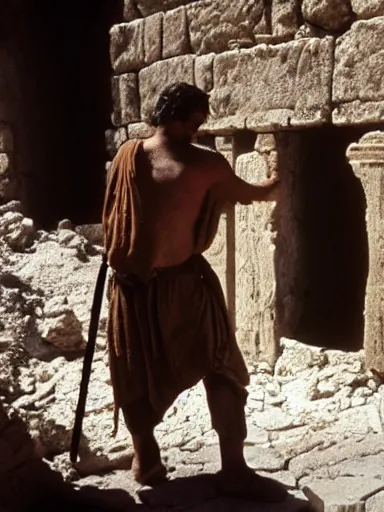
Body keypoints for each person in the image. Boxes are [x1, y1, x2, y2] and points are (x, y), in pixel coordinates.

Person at [102, 82, 286, 502]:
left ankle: (209, 465)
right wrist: (275, 185)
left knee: (204, 367)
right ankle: (155, 458)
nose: (198, 132)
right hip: (147, 290)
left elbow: (245, 194)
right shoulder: (138, 159)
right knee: (151, 372)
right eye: (195, 123)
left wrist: (272, 183)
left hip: (165, 288)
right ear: (176, 116)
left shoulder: (187, 162)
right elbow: (116, 216)